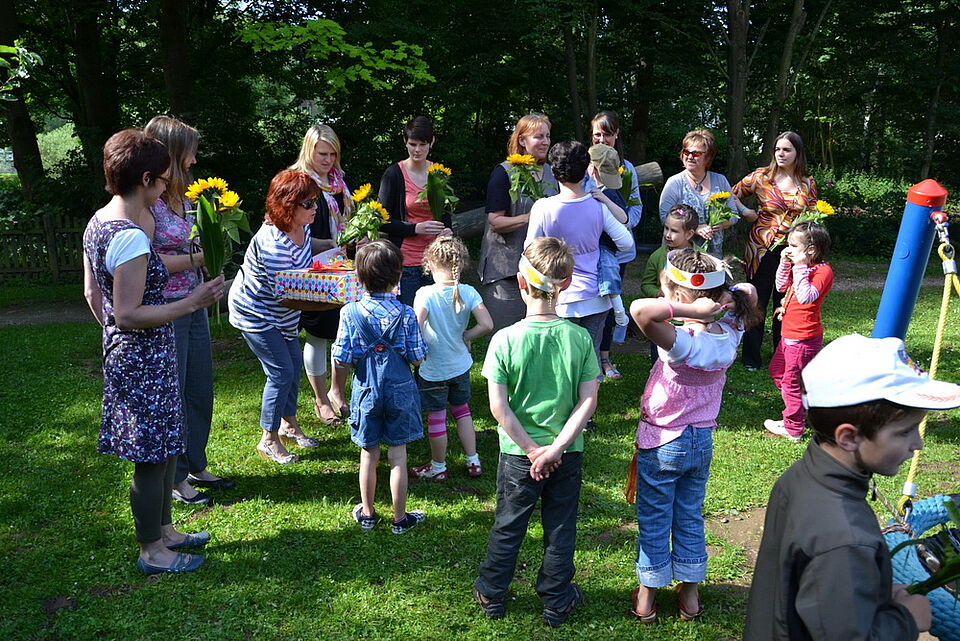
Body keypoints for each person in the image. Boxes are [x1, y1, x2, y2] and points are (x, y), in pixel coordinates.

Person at [743, 334, 960, 640]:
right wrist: (906, 619)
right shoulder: (846, 536)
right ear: (848, 437)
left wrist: (867, 595)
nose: (918, 444)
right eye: (905, 431)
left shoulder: (802, 476)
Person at [82, 128, 224, 574]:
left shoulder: (97, 221)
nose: (167, 186)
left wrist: (113, 338)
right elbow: (127, 314)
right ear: (145, 179)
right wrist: (192, 303)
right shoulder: (129, 236)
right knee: (150, 458)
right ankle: (152, 552)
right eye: (163, 179)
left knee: (165, 447)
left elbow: (93, 295)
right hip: (143, 358)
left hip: (138, 354)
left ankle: (166, 532)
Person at [626, 248, 760, 623]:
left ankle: (646, 599)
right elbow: (748, 290)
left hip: (663, 442)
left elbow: (640, 310)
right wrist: (716, 303)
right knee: (688, 515)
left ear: (680, 296)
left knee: (655, 518)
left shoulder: (681, 340)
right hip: (700, 440)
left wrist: (692, 310)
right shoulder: (730, 331)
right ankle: (690, 597)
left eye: (667, 292)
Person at [472, 237, 600, 627]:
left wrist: (531, 450)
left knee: (509, 524)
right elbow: (588, 402)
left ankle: (491, 592)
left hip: (518, 455)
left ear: (520, 282)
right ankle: (556, 599)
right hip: (567, 453)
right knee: (561, 527)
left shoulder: (504, 339)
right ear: (567, 282)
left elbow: (499, 407)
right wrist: (556, 448)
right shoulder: (580, 338)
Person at [141, 115, 233, 507]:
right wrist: (200, 258)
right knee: (175, 392)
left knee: (199, 386)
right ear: (172, 153)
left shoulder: (189, 198)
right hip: (167, 308)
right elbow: (147, 262)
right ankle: (176, 478)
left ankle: (196, 463)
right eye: (190, 153)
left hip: (195, 302)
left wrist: (211, 255)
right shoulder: (149, 203)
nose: (195, 160)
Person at [228, 169, 330, 465]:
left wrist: (336, 247)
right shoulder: (272, 245)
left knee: (293, 365)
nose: (314, 208)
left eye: (315, 201)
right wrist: (334, 298)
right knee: (281, 372)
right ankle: (268, 439)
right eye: (308, 204)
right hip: (256, 314)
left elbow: (307, 248)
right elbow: (289, 296)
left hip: (283, 314)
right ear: (287, 206)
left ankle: (288, 424)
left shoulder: (301, 226)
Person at [331, 240, 428, 534]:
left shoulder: (350, 313)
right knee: (398, 455)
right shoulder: (406, 314)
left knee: (368, 453)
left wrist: (337, 389)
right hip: (400, 390)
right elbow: (417, 357)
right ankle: (400, 519)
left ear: (359, 278)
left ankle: (368, 514)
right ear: (398, 276)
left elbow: (341, 357)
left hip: (366, 391)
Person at [525, 141, 634, 367]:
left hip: (559, 296)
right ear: (587, 169)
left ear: (554, 170)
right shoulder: (598, 205)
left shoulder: (543, 207)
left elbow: (529, 250)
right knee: (590, 358)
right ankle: (592, 390)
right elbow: (626, 243)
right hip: (596, 297)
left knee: (560, 360)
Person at [409, 237, 494, 481]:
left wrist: (416, 356)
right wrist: (467, 335)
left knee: (437, 416)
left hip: (432, 368)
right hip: (460, 365)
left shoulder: (425, 294)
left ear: (430, 265)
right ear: (461, 264)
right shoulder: (468, 292)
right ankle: (473, 460)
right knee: (462, 411)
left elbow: (415, 327)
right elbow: (487, 324)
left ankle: (438, 467)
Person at [733, 131, 818, 370]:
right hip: (760, 249)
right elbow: (730, 193)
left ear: (798, 153)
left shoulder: (807, 183)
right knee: (756, 301)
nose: (781, 154)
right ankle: (751, 358)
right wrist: (744, 211)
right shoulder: (761, 177)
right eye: (778, 149)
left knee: (785, 303)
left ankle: (782, 356)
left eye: (787, 150)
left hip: (792, 252)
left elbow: (814, 215)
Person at [289, 124, 355, 426]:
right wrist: (329, 244)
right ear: (309, 151)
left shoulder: (341, 182)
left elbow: (350, 219)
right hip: (311, 268)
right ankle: (320, 399)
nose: (328, 160)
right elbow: (291, 232)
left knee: (344, 330)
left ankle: (337, 391)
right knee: (317, 333)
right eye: (322, 154)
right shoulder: (297, 183)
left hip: (343, 266)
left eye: (333, 154)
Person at [478, 113, 559, 331]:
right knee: (506, 336)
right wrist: (531, 216)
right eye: (538, 136)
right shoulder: (504, 173)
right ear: (522, 140)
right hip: (506, 271)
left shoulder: (552, 173)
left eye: (547, 136)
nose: (545, 142)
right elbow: (495, 222)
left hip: (543, 271)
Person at [764, 221, 834, 441]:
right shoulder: (801, 267)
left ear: (810, 250)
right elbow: (780, 286)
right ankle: (804, 406)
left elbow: (806, 297)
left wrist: (800, 265)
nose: (788, 249)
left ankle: (793, 428)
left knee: (791, 383)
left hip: (803, 338)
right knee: (778, 372)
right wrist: (785, 263)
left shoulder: (823, 271)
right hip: (789, 334)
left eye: (793, 246)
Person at [587, 111, 644, 380]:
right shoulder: (583, 165)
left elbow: (635, 205)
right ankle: (587, 357)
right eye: (597, 134)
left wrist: (623, 226)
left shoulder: (627, 168)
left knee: (611, 300)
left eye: (607, 134)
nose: (602, 139)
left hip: (617, 247)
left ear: (616, 134)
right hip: (589, 247)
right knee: (590, 302)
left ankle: (605, 357)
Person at [377, 116, 452, 306]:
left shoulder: (439, 173)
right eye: (412, 144)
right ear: (405, 142)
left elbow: (446, 211)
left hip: (436, 261)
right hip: (406, 263)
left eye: (422, 144)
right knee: (409, 315)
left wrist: (448, 230)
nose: (417, 150)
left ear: (431, 142)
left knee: (436, 316)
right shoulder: (394, 174)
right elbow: (381, 221)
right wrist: (414, 228)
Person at [659, 129, 744, 258]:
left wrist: (720, 224)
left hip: (712, 255)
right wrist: (696, 228)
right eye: (686, 152)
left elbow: (733, 214)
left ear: (708, 157)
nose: (690, 157)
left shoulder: (720, 181)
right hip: (680, 255)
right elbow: (665, 217)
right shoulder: (674, 182)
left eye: (696, 153)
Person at [640, 204, 700, 361]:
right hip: (663, 317)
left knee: (690, 356)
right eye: (666, 228)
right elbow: (646, 284)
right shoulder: (657, 256)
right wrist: (659, 293)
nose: (667, 234)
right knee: (660, 358)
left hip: (691, 318)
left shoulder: (700, 257)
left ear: (689, 234)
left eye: (674, 231)